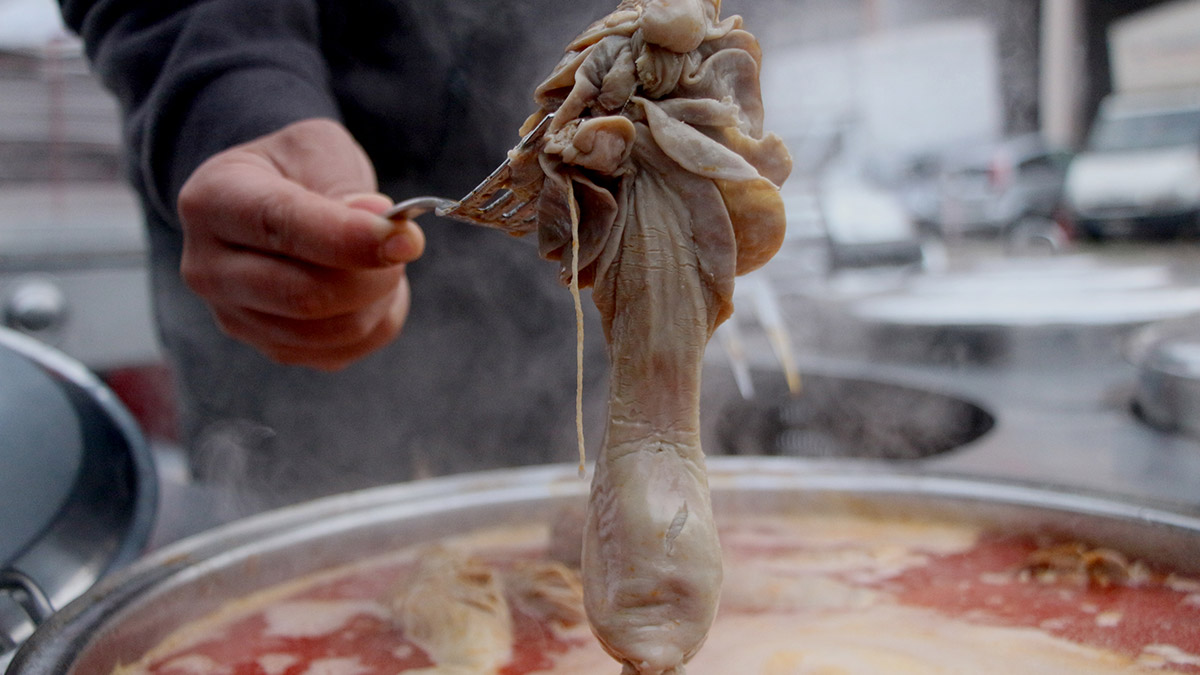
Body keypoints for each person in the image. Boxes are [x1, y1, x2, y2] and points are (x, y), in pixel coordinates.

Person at [56, 0, 614, 514]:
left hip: (564, 287)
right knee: (282, 552)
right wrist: (232, 96)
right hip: (282, 267)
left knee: (575, 548)